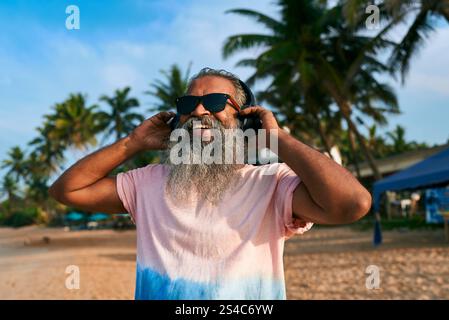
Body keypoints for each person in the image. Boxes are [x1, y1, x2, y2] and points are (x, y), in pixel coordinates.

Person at [49, 68, 372, 300]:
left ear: (244, 118)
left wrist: (277, 138)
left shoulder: (272, 183)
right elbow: (67, 190)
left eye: (217, 102)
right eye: (188, 105)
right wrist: (133, 142)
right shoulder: (146, 182)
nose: (199, 111)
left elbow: (351, 204)